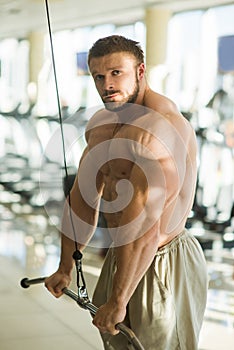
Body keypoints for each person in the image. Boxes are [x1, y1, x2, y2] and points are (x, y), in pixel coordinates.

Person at [45, 35, 208, 350]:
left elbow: (147, 225)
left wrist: (119, 299)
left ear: (140, 71)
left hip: (161, 260)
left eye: (116, 73)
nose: (107, 83)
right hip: (124, 253)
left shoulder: (161, 129)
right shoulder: (101, 123)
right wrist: (65, 266)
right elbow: (82, 199)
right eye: (99, 76)